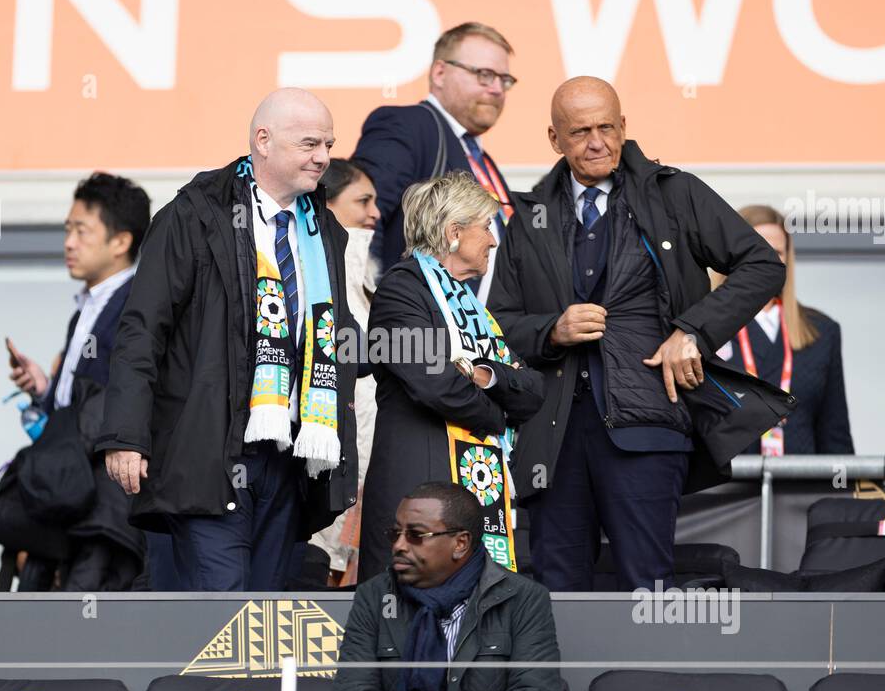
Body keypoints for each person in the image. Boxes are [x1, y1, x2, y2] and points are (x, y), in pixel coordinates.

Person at [489, 77, 792, 593]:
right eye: (580, 131)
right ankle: (554, 680)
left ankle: (646, 679)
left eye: (607, 126)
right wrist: (551, 330)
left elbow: (762, 265)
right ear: (553, 139)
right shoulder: (529, 215)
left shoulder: (675, 194)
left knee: (647, 587)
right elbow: (500, 323)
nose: (597, 142)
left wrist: (692, 331)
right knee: (555, 590)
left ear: (624, 126)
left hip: (649, 426)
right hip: (552, 437)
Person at [99, 88, 359, 592]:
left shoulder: (321, 227)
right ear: (263, 140)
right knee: (223, 617)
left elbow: (330, 336)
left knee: (261, 622)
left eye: (328, 144)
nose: (323, 157)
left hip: (290, 457)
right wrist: (126, 436)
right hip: (211, 452)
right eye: (309, 144)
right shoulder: (195, 214)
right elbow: (141, 328)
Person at [359, 172, 543, 581]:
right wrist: (498, 417)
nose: (494, 240)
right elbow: (436, 384)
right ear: (454, 232)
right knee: (412, 625)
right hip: (420, 488)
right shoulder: (400, 291)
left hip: (467, 492)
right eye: (486, 228)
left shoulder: (475, 310)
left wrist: (485, 374)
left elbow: (531, 391)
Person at [333, 481, 562, 691]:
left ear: (460, 543)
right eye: (395, 534)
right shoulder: (375, 595)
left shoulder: (522, 597)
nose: (399, 545)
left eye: (416, 535)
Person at [6, 172, 151, 591]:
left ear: (121, 242)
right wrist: (45, 390)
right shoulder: (84, 310)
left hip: (106, 502)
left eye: (82, 231)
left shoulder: (138, 305)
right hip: (69, 494)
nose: (69, 242)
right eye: (67, 229)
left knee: (92, 623)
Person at [354, 22, 517, 301]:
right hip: (414, 329)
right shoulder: (406, 125)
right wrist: (368, 305)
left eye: (504, 80)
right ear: (440, 73)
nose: (497, 89)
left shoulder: (479, 156)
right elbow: (362, 218)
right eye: (485, 75)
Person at [714, 205, 854, 454]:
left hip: (801, 487)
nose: (767, 260)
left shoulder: (821, 331)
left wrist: (842, 489)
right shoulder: (700, 329)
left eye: (777, 252)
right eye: (755, 249)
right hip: (728, 489)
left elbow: (834, 433)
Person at [309, 158, 380, 583]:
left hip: (363, 461)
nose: (374, 212)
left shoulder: (366, 273)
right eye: (363, 200)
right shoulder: (325, 269)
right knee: (321, 574)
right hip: (332, 459)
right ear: (328, 204)